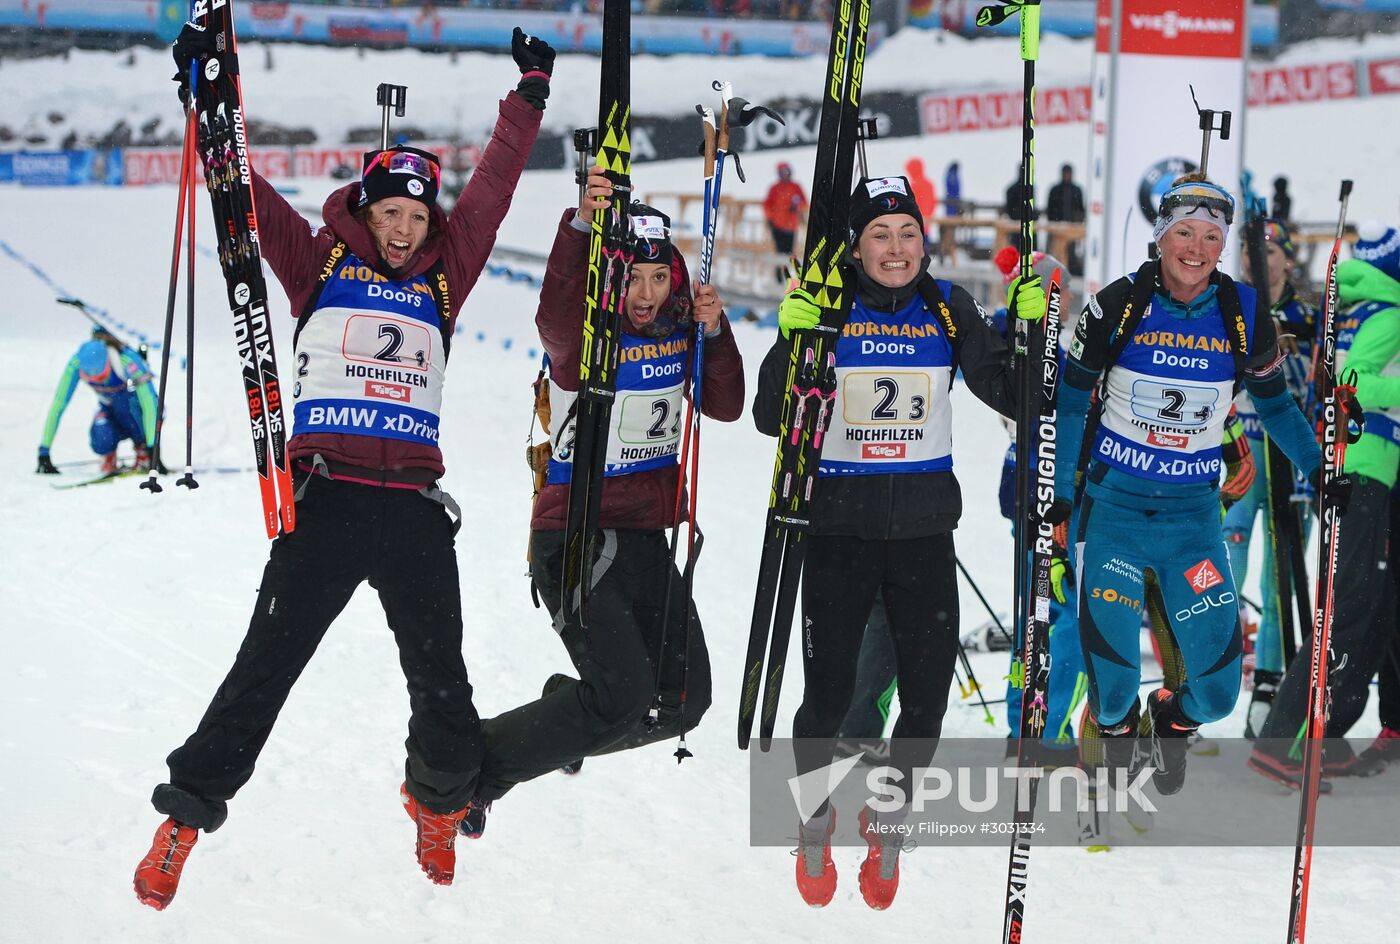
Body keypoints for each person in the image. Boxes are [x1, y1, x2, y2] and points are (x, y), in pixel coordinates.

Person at [132, 23, 552, 909]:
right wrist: (206, 102)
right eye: (389, 215)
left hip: (411, 510)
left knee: (443, 680)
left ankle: (435, 802)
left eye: (415, 218)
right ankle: (185, 816)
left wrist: (529, 97)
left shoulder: (449, 270)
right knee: (264, 669)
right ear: (363, 211)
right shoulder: (315, 261)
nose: (402, 231)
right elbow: (240, 193)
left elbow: (492, 191)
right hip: (323, 501)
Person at [754, 174, 1044, 910]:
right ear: (856, 246)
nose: (895, 248)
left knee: (924, 704)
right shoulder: (830, 304)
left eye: (907, 233)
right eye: (879, 235)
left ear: (924, 240)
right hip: (838, 535)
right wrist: (793, 340)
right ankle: (815, 817)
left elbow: (1018, 396)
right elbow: (767, 416)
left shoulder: (948, 308)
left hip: (922, 539)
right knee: (825, 701)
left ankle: (888, 819)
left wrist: (1031, 330)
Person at [472, 168, 744, 809]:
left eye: (658, 278)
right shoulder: (583, 344)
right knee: (621, 698)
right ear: (610, 278)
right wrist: (580, 230)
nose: (645, 293)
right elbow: (554, 316)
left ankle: (562, 719)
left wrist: (714, 330)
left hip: (648, 540)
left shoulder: (680, 336)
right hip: (577, 537)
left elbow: (727, 404)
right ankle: (479, 768)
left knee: (683, 700)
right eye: (632, 278)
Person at [1053, 175, 1322, 797]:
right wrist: (1061, 493)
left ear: (1222, 245)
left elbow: (1277, 409)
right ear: (1161, 237)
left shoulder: (1245, 311)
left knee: (1220, 693)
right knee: (1114, 691)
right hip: (1113, 517)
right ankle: (1116, 730)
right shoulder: (1118, 305)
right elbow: (1069, 405)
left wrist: (1321, 473)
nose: (1196, 248)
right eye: (1184, 233)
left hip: (1192, 526)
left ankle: (1168, 722)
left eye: (1210, 236)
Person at [1250, 220, 1400, 786]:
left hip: (1364, 472)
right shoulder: (1388, 313)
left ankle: (1325, 736)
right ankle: (1284, 742)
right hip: (1360, 472)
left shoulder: (1361, 306)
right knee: (1344, 613)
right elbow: (1354, 379)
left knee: (1366, 610)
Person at [1220, 219, 1315, 739]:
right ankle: (1215, 670)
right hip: (1239, 449)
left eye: (1271, 252)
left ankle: (1271, 681)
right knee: (1225, 556)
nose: (1261, 261)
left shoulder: (1305, 315)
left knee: (1278, 575)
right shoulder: (1233, 305)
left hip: (1284, 456)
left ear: (1286, 260)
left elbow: (1317, 386)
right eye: (1255, 253)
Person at [36, 329, 158, 475]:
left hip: (137, 413)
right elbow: (59, 403)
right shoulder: (76, 363)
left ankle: (143, 449)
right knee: (101, 435)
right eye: (90, 380)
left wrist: (153, 447)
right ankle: (108, 454)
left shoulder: (127, 360)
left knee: (124, 405)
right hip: (109, 409)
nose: (97, 382)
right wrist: (44, 451)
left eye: (101, 377)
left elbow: (150, 403)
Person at [763, 161, 807, 285]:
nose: (785, 174)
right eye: (783, 172)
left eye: (787, 172)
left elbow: (804, 202)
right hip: (777, 226)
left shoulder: (796, 187)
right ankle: (779, 276)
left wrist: (796, 206)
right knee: (779, 251)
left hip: (791, 226)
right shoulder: (775, 188)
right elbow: (767, 205)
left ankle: (792, 276)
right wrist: (771, 218)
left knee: (789, 252)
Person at [1046, 163, 1086, 275]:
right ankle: (1054, 272)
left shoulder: (1076, 190)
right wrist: (1055, 223)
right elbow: (1050, 208)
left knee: (1071, 252)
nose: (1067, 175)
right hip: (1057, 227)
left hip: (1071, 228)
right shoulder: (1055, 190)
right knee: (1055, 252)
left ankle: (1069, 272)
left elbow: (1081, 209)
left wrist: (1077, 222)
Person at [902, 157, 938, 242]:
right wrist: (929, 215)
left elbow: (910, 203)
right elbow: (933, 202)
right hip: (926, 221)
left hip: (915, 221)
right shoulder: (929, 184)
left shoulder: (914, 185)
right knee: (924, 245)